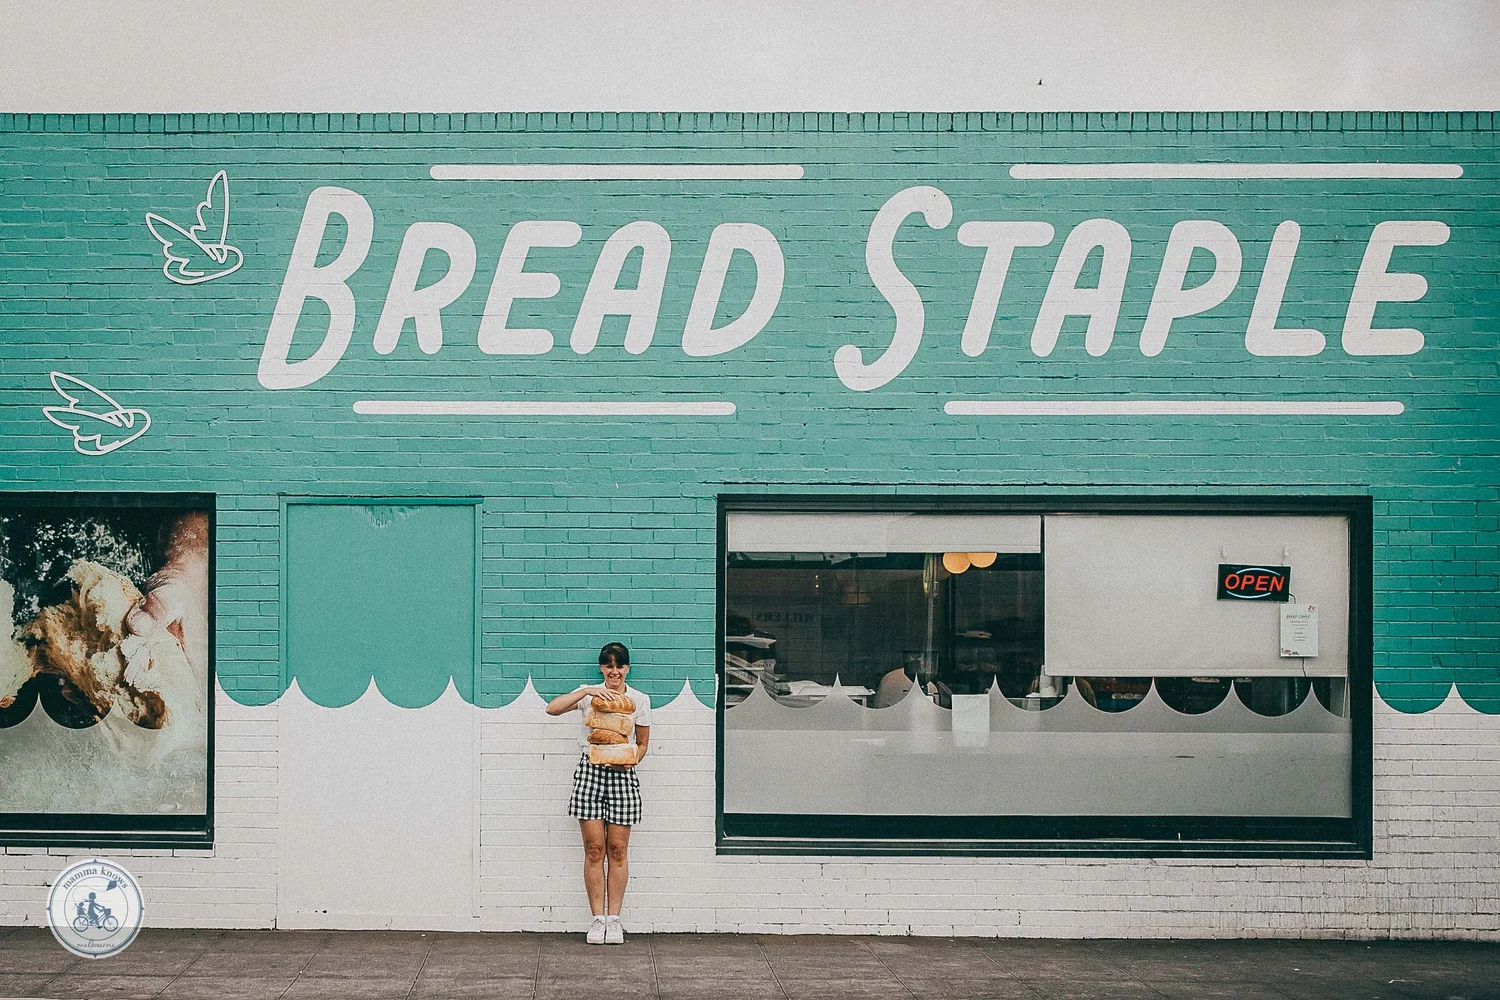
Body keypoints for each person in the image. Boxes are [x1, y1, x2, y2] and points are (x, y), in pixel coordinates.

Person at [545, 641, 651, 945]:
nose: (614, 671)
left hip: (623, 776)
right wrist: (586, 692)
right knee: (594, 850)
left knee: (617, 850)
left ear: (627, 668)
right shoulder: (589, 694)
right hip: (590, 772)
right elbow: (552, 709)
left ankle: (614, 920)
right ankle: (597, 920)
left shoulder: (639, 700)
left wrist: (626, 759)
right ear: (601, 668)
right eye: (608, 665)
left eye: (619, 665)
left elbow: (642, 743)